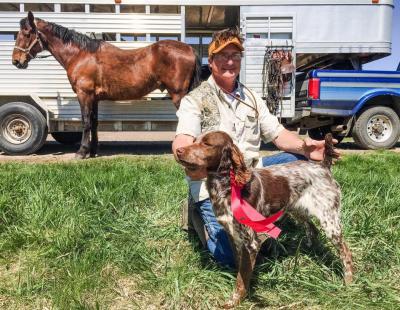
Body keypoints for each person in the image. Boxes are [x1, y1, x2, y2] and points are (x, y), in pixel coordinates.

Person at [172, 28, 337, 268]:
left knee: (295, 159)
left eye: (236, 55)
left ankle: (268, 214)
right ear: (211, 60)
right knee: (231, 257)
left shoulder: (251, 97)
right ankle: (197, 216)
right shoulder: (195, 99)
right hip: (216, 183)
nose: (230, 61)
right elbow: (183, 139)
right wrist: (184, 153)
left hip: (250, 176)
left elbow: (278, 134)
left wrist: (305, 147)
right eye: (223, 55)